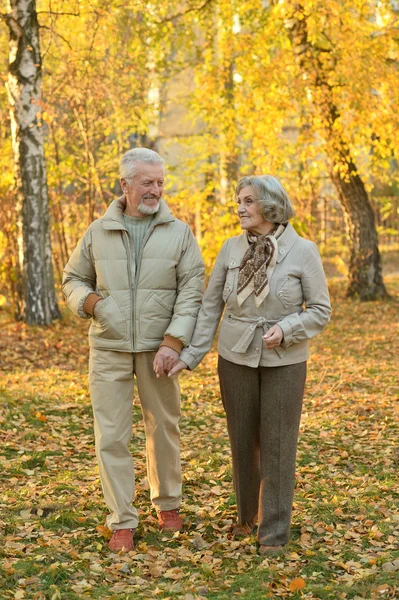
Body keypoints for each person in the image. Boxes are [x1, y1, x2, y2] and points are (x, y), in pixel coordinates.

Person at [168, 175, 331, 555]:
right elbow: (211, 307)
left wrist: (288, 328)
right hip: (234, 356)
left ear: (271, 206)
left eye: (248, 201)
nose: (239, 208)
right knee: (242, 441)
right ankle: (246, 519)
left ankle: (273, 533)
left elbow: (321, 311)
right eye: (238, 201)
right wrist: (190, 354)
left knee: (277, 444)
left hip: (285, 361)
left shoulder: (303, 251)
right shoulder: (229, 248)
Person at [62, 148, 205, 552]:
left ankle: (168, 503)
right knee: (111, 435)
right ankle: (122, 519)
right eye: (148, 182)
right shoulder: (97, 230)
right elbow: (72, 279)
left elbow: (192, 291)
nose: (156, 190)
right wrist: (94, 305)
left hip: (159, 349)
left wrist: (173, 343)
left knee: (164, 428)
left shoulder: (179, 233)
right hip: (108, 346)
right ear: (125, 184)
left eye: (160, 182)